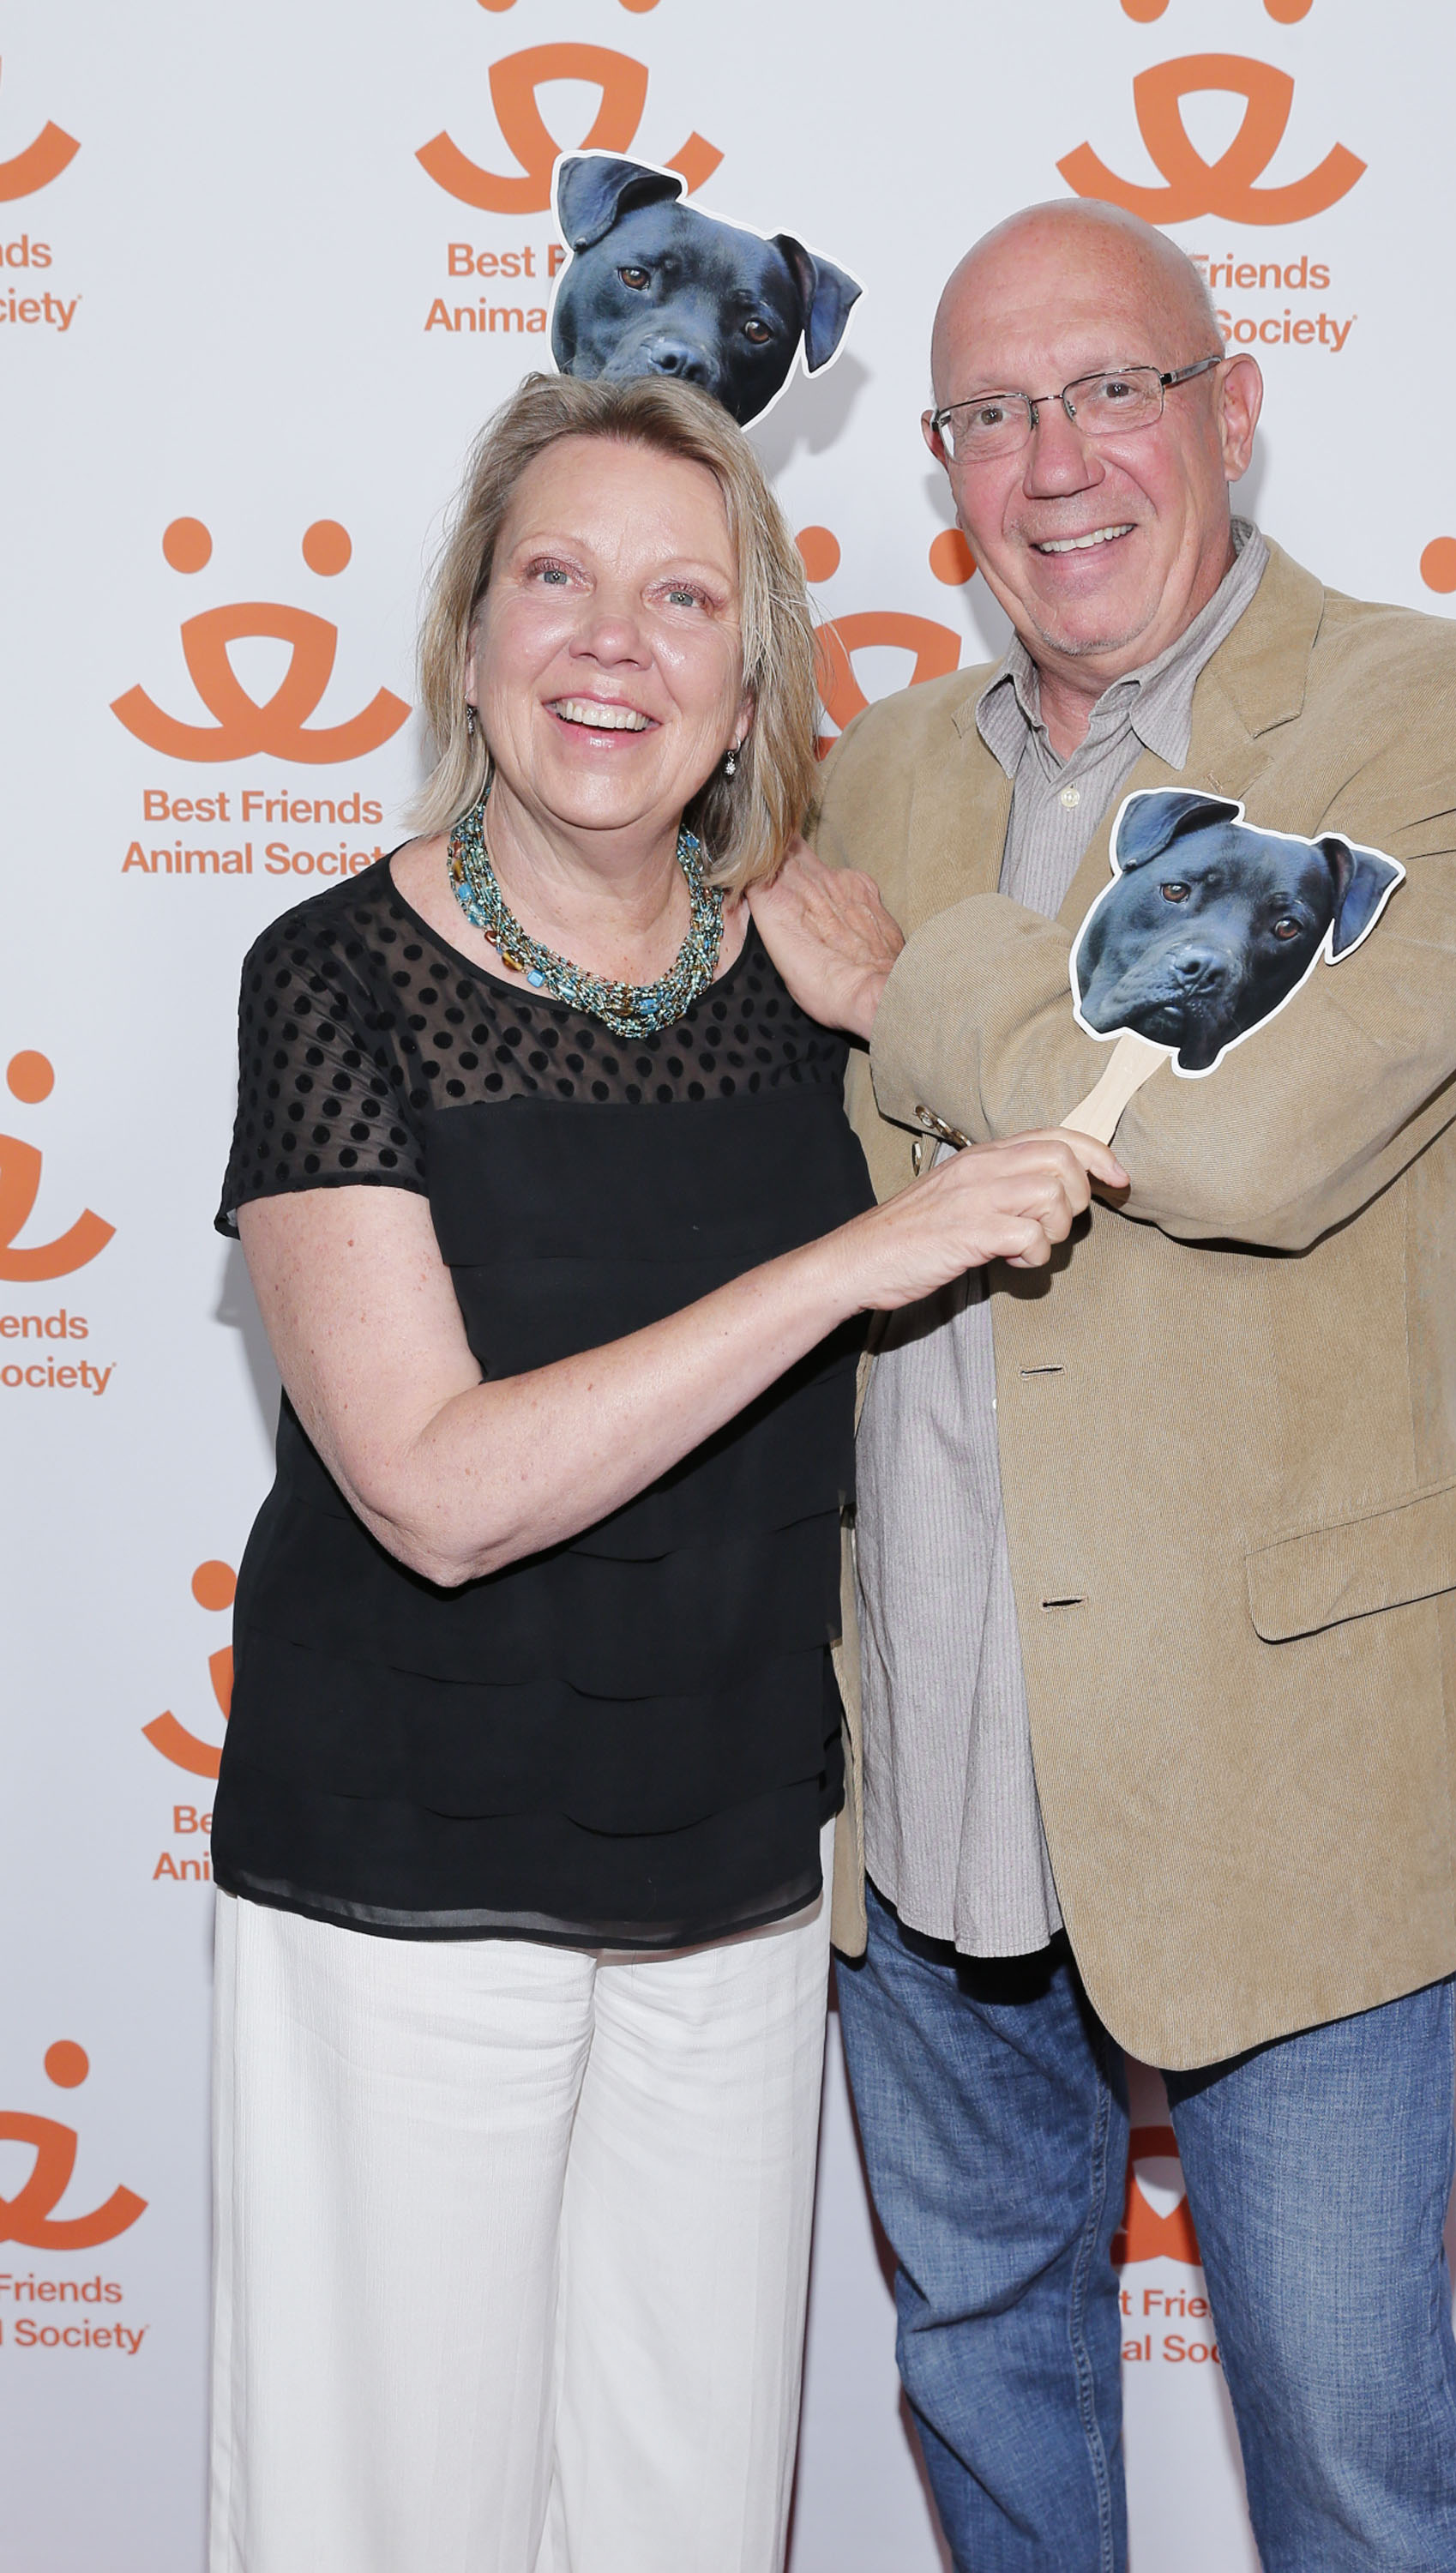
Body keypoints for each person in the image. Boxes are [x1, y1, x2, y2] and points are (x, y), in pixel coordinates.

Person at [208, 370, 1117, 2573]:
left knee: (692, 2520)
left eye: (681, 599)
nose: (611, 641)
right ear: (472, 638)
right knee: (384, 2522)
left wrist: (889, 1009)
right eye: (558, 579)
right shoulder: (331, 980)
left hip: (735, 1879)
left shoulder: (817, 982)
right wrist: (857, 1255)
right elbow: (430, 1487)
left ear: (742, 695)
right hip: (405, 1879)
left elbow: (1097, 1187)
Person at [749, 202, 1456, 2570]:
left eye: (1108, 386)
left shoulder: (1443, 723)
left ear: (1232, 404)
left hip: (1277, 1769)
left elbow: (1233, 1133)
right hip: (907, 1761)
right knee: (986, 2395)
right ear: (938, 465)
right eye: (991, 414)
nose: (1053, 459)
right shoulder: (875, 769)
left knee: (1353, 2446)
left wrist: (916, 977)